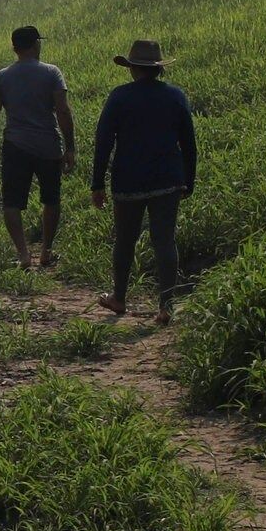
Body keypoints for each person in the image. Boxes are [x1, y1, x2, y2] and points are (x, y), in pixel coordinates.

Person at [91, 38, 197, 323]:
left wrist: (97, 182)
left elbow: (103, 142)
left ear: (132, 68)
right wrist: (190, 179)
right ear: (158, 68)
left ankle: (119, 298)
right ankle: (166, 305)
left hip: (129, 179)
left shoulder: (119, 97)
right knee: (164, 240)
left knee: (125, 240)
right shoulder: (176, 96)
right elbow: (188, 142)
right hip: (168, 178)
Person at [0, 24, 75, 269]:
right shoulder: (52, 73)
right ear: (36, 44)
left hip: (15, 145)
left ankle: (23, 254)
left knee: (12, 202)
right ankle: (46, 251)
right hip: (48, 145)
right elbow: (62, 110)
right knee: (51, 199)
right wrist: (71, 147)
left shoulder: (2, 77)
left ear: (14, 48)